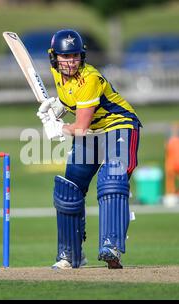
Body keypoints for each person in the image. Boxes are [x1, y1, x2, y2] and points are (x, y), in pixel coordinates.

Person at [36, 29, 141, 269]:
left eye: (74, 56)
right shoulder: (56, 72)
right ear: (55, 58)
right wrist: (57, 108)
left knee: (112, 178)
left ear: (81, 56)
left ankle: (111, 246)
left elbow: (80, 127)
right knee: (69, 190)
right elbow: (71, 99)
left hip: (119, 126)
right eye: (65, 57)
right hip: (93, 133)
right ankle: (69, 254)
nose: (70, 62)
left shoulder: (89, 78)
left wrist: (59, 127)